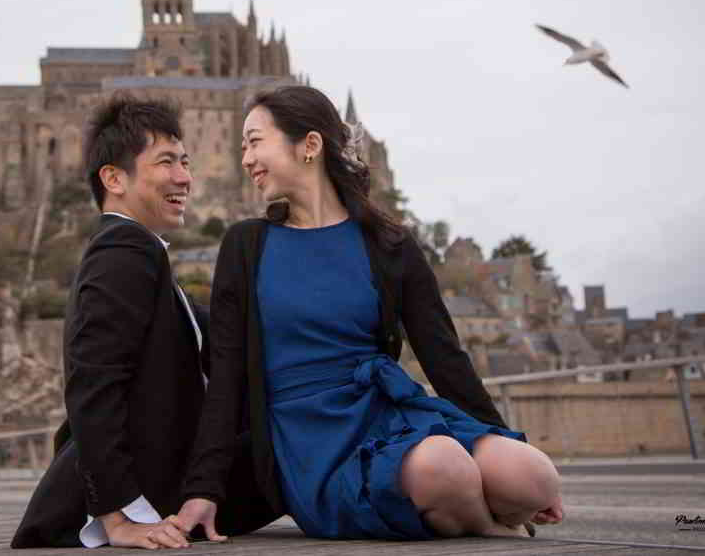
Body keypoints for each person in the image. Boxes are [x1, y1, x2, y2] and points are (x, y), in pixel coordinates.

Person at [176, 85, 564, 542]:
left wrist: (496, 438)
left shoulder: (389, 243)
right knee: (445, 467)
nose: (246, 159)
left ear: (310, 146)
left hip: (387, 412)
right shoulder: (246, 245)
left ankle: (471, 507)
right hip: (310, 439)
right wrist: (203, 488)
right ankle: (489, 529)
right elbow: (226, 375)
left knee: (533, 477)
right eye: (242, 146)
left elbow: (446, 360)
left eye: (255, 141)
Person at [11, 93, 277, 549]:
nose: (184, 178)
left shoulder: (141, 252)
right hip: (146, 497)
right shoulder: (124, 252)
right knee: (303, 445)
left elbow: (225, 341)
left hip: (170, 484)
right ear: (114, 178)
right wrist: (118, 519)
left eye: (186, 162)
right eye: (167, 163)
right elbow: (92, 386)